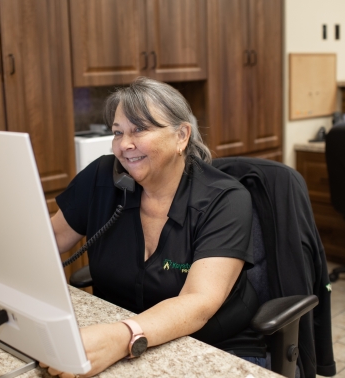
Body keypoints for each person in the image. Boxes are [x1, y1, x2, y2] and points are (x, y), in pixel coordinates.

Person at [44, 77, 266, 377]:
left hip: (215, 347)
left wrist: (123, 336)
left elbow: (198, 302)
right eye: (117, 132)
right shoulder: (102, 177)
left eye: (140, 129)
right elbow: (51, 239)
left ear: (181, 136)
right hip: (124, 338)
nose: (124, 145)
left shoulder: (226, 199)